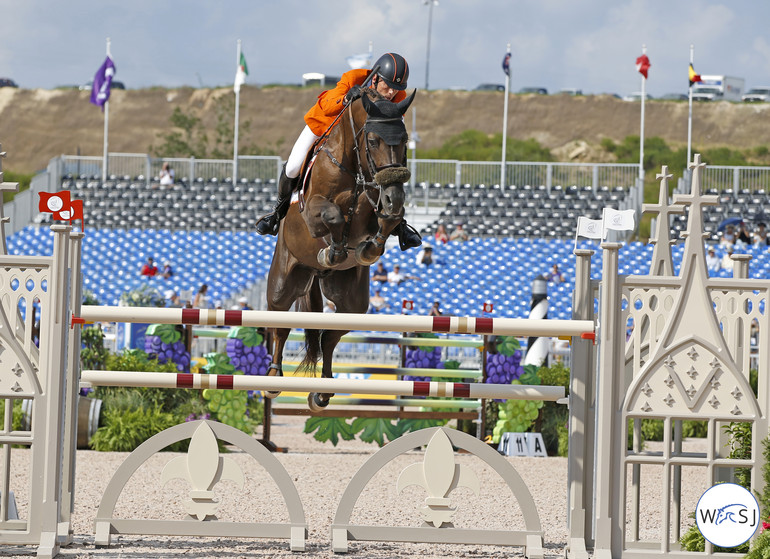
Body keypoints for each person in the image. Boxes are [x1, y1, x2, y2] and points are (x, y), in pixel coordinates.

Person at [255, 52, 421, 250]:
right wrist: (345, 99)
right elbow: (326, 105)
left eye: (397, 88)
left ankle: (399, 224)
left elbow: (392, 127)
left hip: (359, 141)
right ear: (375, 78)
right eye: (388, 86)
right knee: (293, 166)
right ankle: (277, 212)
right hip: (323, 125)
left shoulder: (398, 96)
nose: (392, 93)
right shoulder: (354, 78)